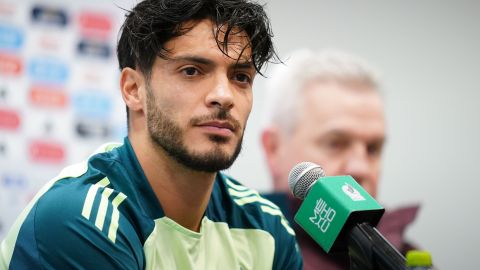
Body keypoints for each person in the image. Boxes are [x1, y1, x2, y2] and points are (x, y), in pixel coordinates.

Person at [0, 0, 302, 269]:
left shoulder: (267, 227)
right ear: (133, 90)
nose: (224, 96)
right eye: (192, 71)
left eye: (240, 77)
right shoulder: (79, 217)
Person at [261, 49, 419, 270]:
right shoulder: (241, 246)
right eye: (336, 143)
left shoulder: (407, 255)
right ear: (273, 149)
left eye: (372, 149)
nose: (361, 167)